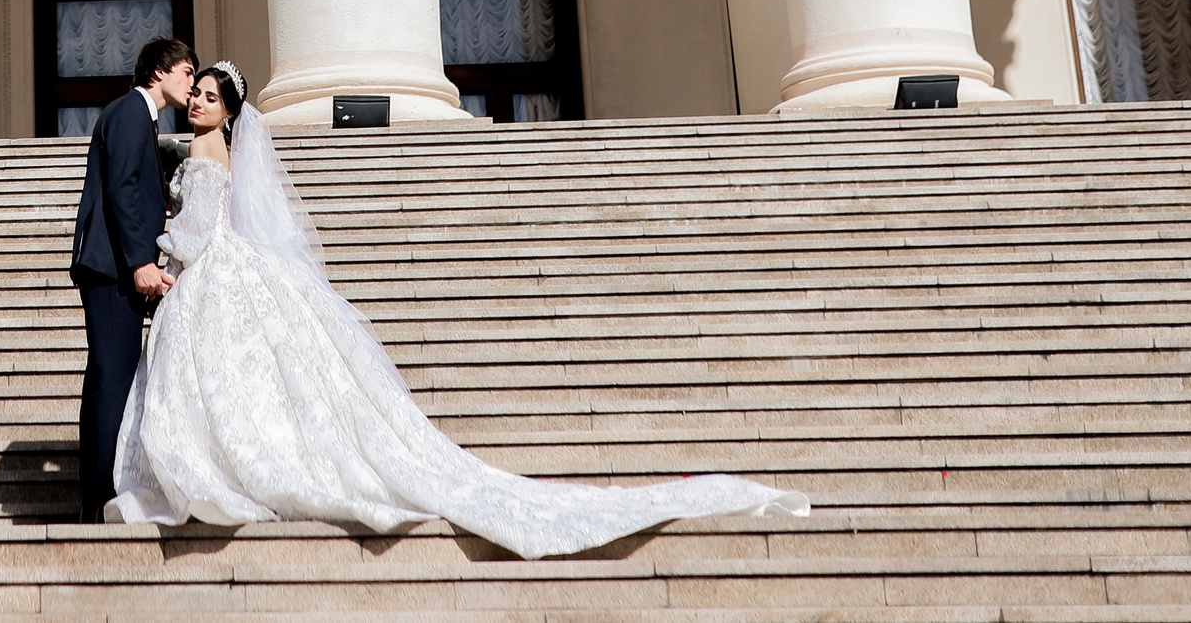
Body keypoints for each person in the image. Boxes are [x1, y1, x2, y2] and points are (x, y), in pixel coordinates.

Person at [106, 61, 811, 558]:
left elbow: (195, 233)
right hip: (239, 276)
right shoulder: (226, 148)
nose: (196, 101)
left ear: (228, 108)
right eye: (193, 92)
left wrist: (160, 257)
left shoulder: (203, 152)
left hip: (213, 279)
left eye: (206, 94)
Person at [68, 34, 195, 524]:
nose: (191, 82)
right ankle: (97, 499)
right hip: (111, 268)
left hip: (115, 267)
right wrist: (141, 263)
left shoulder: (141, 118)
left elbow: (135, 189)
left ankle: (99, 492)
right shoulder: (128, 112)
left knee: (109, 378)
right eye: (187, 72)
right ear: (159, 71)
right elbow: (120, 188)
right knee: (110, 379)